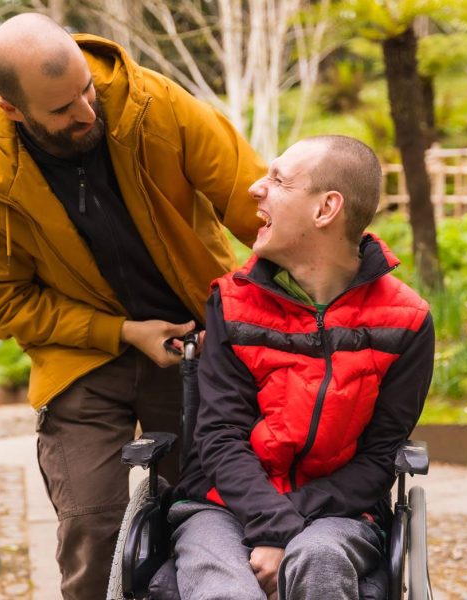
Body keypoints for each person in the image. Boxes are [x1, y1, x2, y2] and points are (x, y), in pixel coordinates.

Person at [0, 13, 265, 599]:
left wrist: (332, 270)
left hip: (198, 336)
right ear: (16, 109)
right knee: (96, 526)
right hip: (82, 354)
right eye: (63, 110)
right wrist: (120, 331)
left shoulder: (153, 104)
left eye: (86, 89)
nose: (87, 112)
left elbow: (257, 203)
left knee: (205, 512)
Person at [169, 135, 435, 600]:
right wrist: (273, 525)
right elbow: (219, 435)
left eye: (278, 180)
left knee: (320, 560)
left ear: (325, 209)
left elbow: (377, 459)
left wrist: (288, 529)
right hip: (221, 505)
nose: (255, 188)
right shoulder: (231, 303)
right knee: (223, 587)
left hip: (338, 515)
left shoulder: (406, 322)